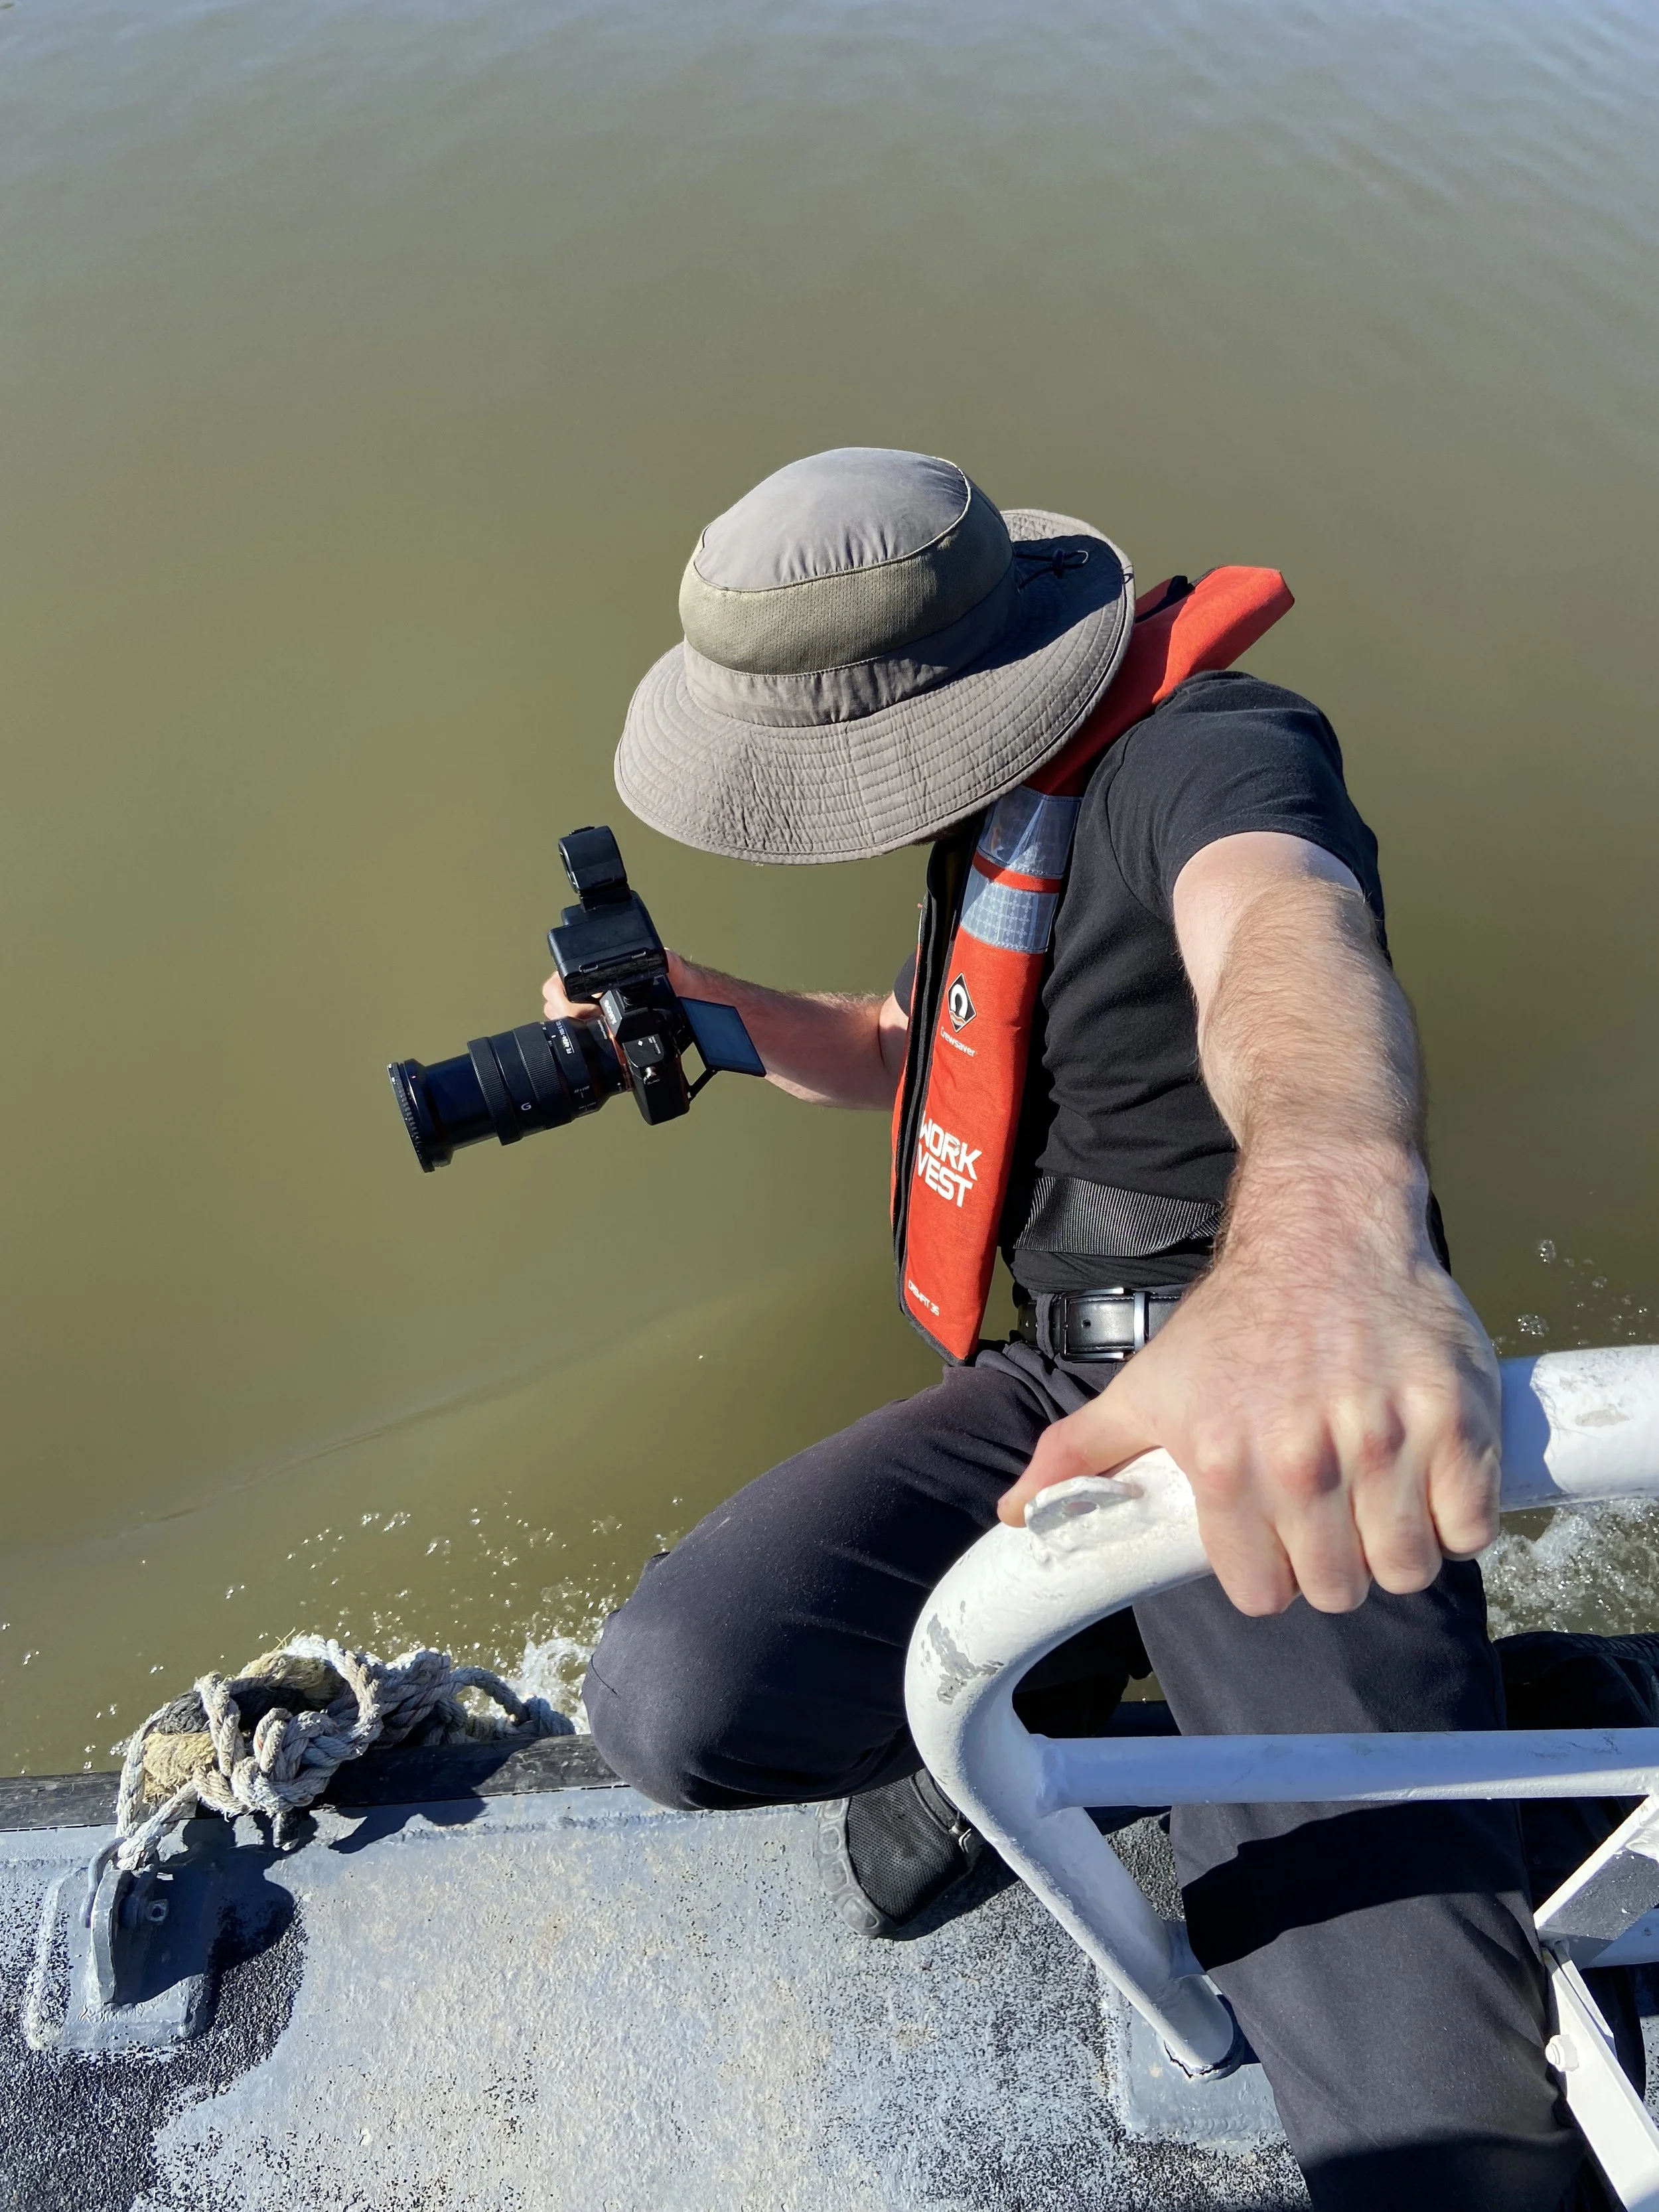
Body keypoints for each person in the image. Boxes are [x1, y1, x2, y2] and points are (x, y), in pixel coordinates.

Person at [550, 447, 1595, 2210]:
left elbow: (1285, 926)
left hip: (1263, 1398)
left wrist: (1331, 1220)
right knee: (677, 1697)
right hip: (1055, 1378)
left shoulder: (1213, 752)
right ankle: (1120, 1698)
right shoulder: (1006, 785)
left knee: (1433, 2142)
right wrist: (711, 1017)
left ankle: (1518, 1710)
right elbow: (917, 1048)